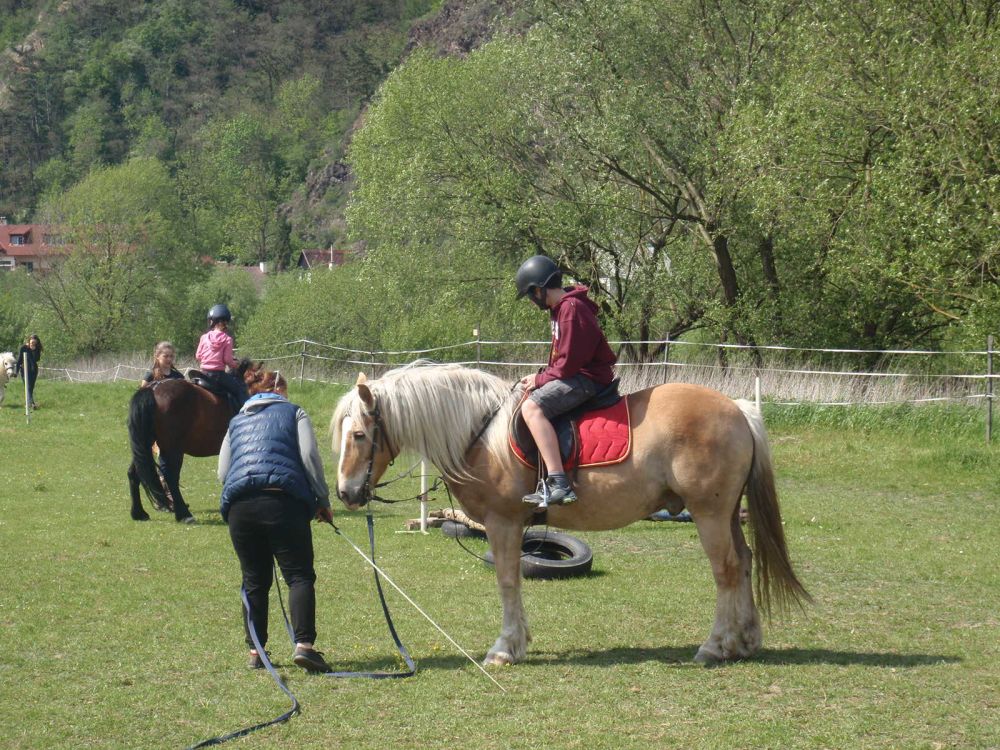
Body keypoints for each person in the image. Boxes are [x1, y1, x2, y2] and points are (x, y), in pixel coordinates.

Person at [217, 370, 335, 672]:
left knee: (254, 580)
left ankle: (256, 651)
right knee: (298, 575)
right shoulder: (294, 413)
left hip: (240, 508)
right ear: (279, 389)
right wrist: (322, 500)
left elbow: (222, 472)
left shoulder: (236, 421)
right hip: (283, 503)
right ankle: (304, 646)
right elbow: (309, 457)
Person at [515, 255, 617, 506]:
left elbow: (570, 363)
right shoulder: (562, 309)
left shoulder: (571, 310)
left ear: (538, 290)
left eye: (530, 295)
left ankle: (559, 483)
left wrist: (541, 379)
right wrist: (540, 377)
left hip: (586, 379)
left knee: (532, 408)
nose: (531, 302)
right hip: (577, 375)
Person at [195, 303, 248, 410]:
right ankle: (246, 411)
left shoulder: (204, 337)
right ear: (225, 322)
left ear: (212, 322)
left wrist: (207, 360)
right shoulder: (227, 339)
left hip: (203, 373)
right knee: (239, 389)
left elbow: (198, 356)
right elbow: (227, 360)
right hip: (218, 375)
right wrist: (235, 365)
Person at [16, 334, 43, 409]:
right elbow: (19, 360)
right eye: (31, 342)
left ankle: (29, 403)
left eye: (34, 343)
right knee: (27, 386)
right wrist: (16, 372)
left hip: (33, 370)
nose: (32, 344)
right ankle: (32, 403)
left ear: (36, 342)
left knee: (31, 387)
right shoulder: (24, 348)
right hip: (24, 370)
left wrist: (33, 350)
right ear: (29, 341)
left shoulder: (37, 349)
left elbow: (37, 359)